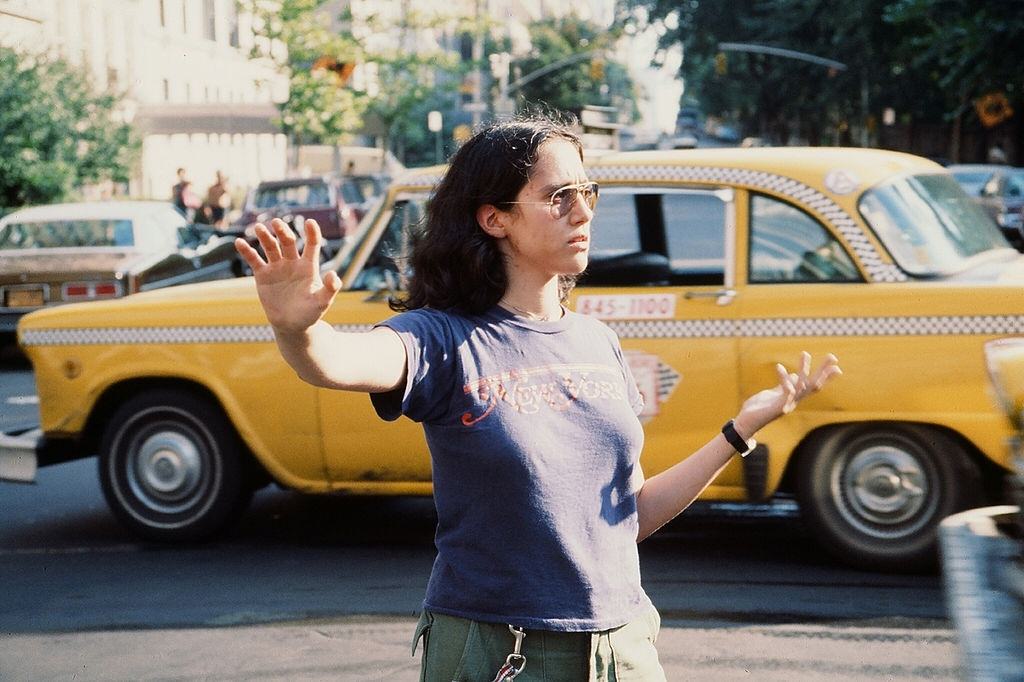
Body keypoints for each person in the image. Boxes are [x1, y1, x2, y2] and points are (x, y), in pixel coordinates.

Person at [234, 115, 841, 681]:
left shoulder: (597, 340)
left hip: (622, 647)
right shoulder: (441, 337)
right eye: (558, 197)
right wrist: (299, 329)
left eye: (587, 193)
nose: (583, 212)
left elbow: (626, 518)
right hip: (504, 652)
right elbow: (340, 363)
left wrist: (738, 432)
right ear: (493, 217)